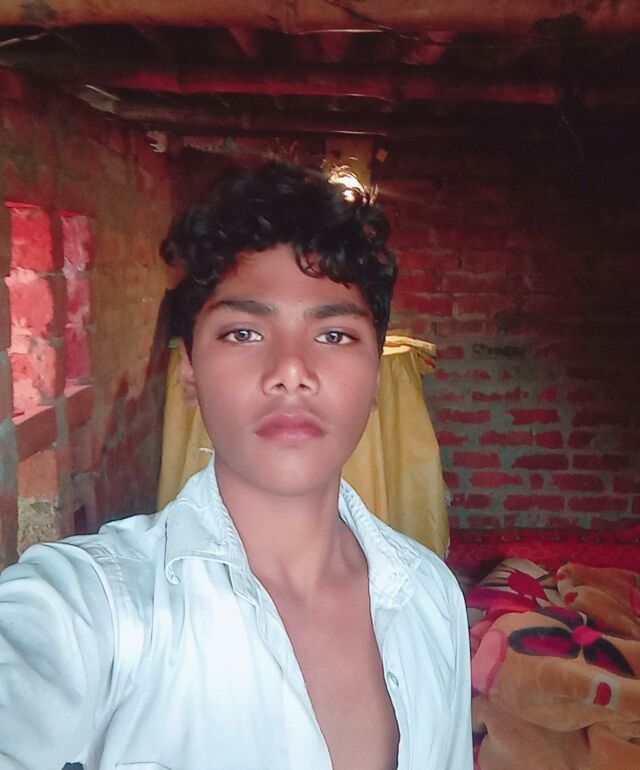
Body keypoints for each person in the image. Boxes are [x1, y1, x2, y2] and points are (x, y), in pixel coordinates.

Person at [0, 162, 472, 770]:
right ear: (190, 372)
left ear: (376, 377)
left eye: (334, 336)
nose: (291, 371)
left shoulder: (430, 596)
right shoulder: (98, 607)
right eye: (244, 333)